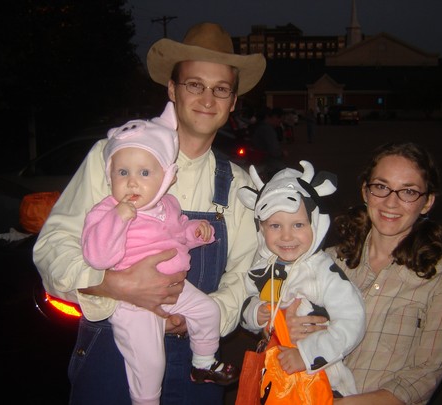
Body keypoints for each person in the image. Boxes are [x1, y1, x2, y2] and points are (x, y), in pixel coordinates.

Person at [33, 22, 266, 405]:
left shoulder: (238, 186)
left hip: (195, 362)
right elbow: (52, 247)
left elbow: (245, 275)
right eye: (195, 84)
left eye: (220, 89)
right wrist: (110, 283)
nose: (208, 99)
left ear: (233, 102)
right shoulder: (113, 158)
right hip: (112, 350)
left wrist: (199, 317)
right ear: (172, 90)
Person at [81, 104, 240, 404]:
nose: (132, 181)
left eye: (144, 172)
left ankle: (203, 364)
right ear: (109, 176)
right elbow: (97, 257)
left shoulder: (168, 205)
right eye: (122, 172)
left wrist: (196, 232)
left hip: (173, 289)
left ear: (166, 177)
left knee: (209, 311)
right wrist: (118, 218)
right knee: (150, 363)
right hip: (133, 304)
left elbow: (179, 234)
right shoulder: (105, 211)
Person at [286, 142, 442, 404]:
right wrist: (286, 327)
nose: (391, 202)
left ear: (427, 202)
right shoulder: (326, 261)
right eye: (381, 187)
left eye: (408, 191)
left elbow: (426, 373)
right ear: (365, 191)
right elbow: (279, 322)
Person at [237, 160, 366, 399]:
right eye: (275, 225)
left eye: (298, 224)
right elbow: (248, 301)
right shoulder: (263, 267)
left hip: (322, 382)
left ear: (314, 223)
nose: (286, 236)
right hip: (274, 379)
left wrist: (307, 355)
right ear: (261, 228)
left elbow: (352, 320)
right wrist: (256, 312)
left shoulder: (322, 271)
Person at [252, 107, 287, 181]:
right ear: (274, 117)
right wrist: (282, 153)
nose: (279, 124)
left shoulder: (257, 126)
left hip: (259, 161)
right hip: (268, 164)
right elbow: (274, 151)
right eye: (280, 120)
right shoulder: (267, 130)